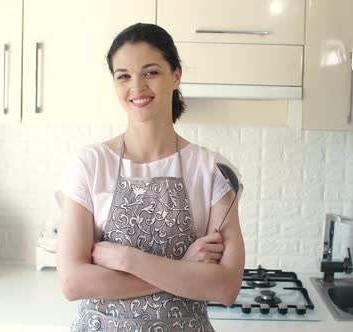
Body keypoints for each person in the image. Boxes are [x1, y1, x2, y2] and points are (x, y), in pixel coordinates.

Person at [55, 23, 245, 332]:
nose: (137, 87)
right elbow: (73, 282)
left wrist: (128, 260)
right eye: (124, 76)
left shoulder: (212, 170)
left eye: (151, 72)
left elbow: (224, 287)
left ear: (176, 75)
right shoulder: (90, 165)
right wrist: (184, 271)